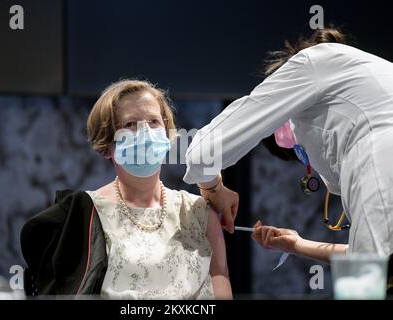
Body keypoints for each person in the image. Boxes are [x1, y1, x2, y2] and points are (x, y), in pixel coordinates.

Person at [183, 27, 393, 257]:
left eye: (298, 149)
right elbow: (362, 255)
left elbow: (203, 154)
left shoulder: (312, 63)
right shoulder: (369, 77)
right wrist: (297, 245)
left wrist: (212, 188)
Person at [21, 80, 232, 300]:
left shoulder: (198, 213)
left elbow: (220, 283)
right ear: (107, 143)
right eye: (130, 124)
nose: (146, 133)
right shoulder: (87, 215)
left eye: (153, 121)